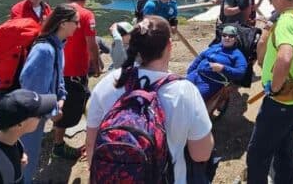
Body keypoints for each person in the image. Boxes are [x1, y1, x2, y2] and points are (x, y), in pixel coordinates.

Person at [86, 16, 214, 183]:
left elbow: (91, 145)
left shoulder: (107, 84)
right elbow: (200, 154)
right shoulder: (185, 92)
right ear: (169, 46)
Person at [248, 0, 293, 184]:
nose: (272, 4)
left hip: (281, 100)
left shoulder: (286, 20)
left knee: (257, 154)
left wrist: (274, 88)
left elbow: (285, 57)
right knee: (284, 146)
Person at [18, 3, 77, 184]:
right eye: (76, 22)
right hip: (31, 116)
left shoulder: (57, 46)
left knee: (31, 157)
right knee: (27, 157)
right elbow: (30, 87)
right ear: (63, 23)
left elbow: (58, 78)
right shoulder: (45, 50)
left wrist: (62, 97)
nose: (78, 26)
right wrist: (51, 110)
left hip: (39, 113)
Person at [50, 0, 98, 161]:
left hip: (57, 69)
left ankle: (59, 136)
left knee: (64, 101)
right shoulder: (86, 15)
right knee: (71, 107)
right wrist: (96, 63)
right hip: (76, 71)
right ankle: (58, 146)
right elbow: (91, 44)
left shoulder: (57, 13)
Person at [186, 25, 247, 100]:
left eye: (231, 36)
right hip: (196, 74)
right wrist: (190, 71)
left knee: (194, 99)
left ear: (235, 39)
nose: (227, 38)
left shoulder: (237, 55)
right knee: (180, 91)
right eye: (224, 35)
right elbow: (200, 57)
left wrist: (222, 68)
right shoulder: (215, 46)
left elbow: (241, 72)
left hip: (210, 82)